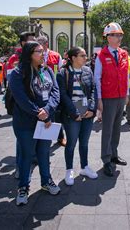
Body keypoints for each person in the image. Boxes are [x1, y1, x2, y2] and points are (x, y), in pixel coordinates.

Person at [9, 41, 61, 205]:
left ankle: (46, 181)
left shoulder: (47, 70)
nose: (43, 53)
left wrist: (48, 110)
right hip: (26, 122)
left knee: (44, 153)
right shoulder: (18, 73)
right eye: (38, 51)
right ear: (29, 54)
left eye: (43, 50)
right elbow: (21, 98)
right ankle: (23, 187)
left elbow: (55, 92)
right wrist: (39, 113)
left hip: (45, 121)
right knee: (26, 156)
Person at [57, 47, 98, 186]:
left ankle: (84, 167)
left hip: (87, 112)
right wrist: (74, 112)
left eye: (85, 55)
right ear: (73, 58)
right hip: (72, 114)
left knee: (84, 142)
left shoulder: (88, 70)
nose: (86, 58)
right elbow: (62, 95)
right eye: (82, 55)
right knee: (71, 143)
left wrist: (92, 109)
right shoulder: (63, 72)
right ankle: (69, 170)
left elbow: (93, 89)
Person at [95, 22, 129, 177]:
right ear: (108, 37)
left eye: (120, 35)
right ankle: (106, 159)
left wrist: (127, 94)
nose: (119, 37)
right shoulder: (101, 56)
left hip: (121, 96)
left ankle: (114, 154)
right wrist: (99, 99)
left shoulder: (123, 54)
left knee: (117, 128)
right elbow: (97, 78)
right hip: (108, 97)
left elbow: (126, 75)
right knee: (107, 130)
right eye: (116, 35)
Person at [7, 31, 36, 179]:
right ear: (24, 43)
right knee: (22, 141)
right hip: (22, 107)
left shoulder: (39, 58)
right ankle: (21, 168)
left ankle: (32, 161)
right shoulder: (14, 59)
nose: (35, 43)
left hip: (38, 106)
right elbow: (13, 86)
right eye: (31, 41)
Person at [36, 35, 66, 146]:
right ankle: (41, 139)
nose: (38, 47)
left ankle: (60, 137)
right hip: (39, 90)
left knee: (56, 114)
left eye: (40, 45)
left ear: (46, 44)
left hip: (53, 90)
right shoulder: (34, 56)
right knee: (42, 113)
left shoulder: (56, 56)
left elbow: (61, 72)